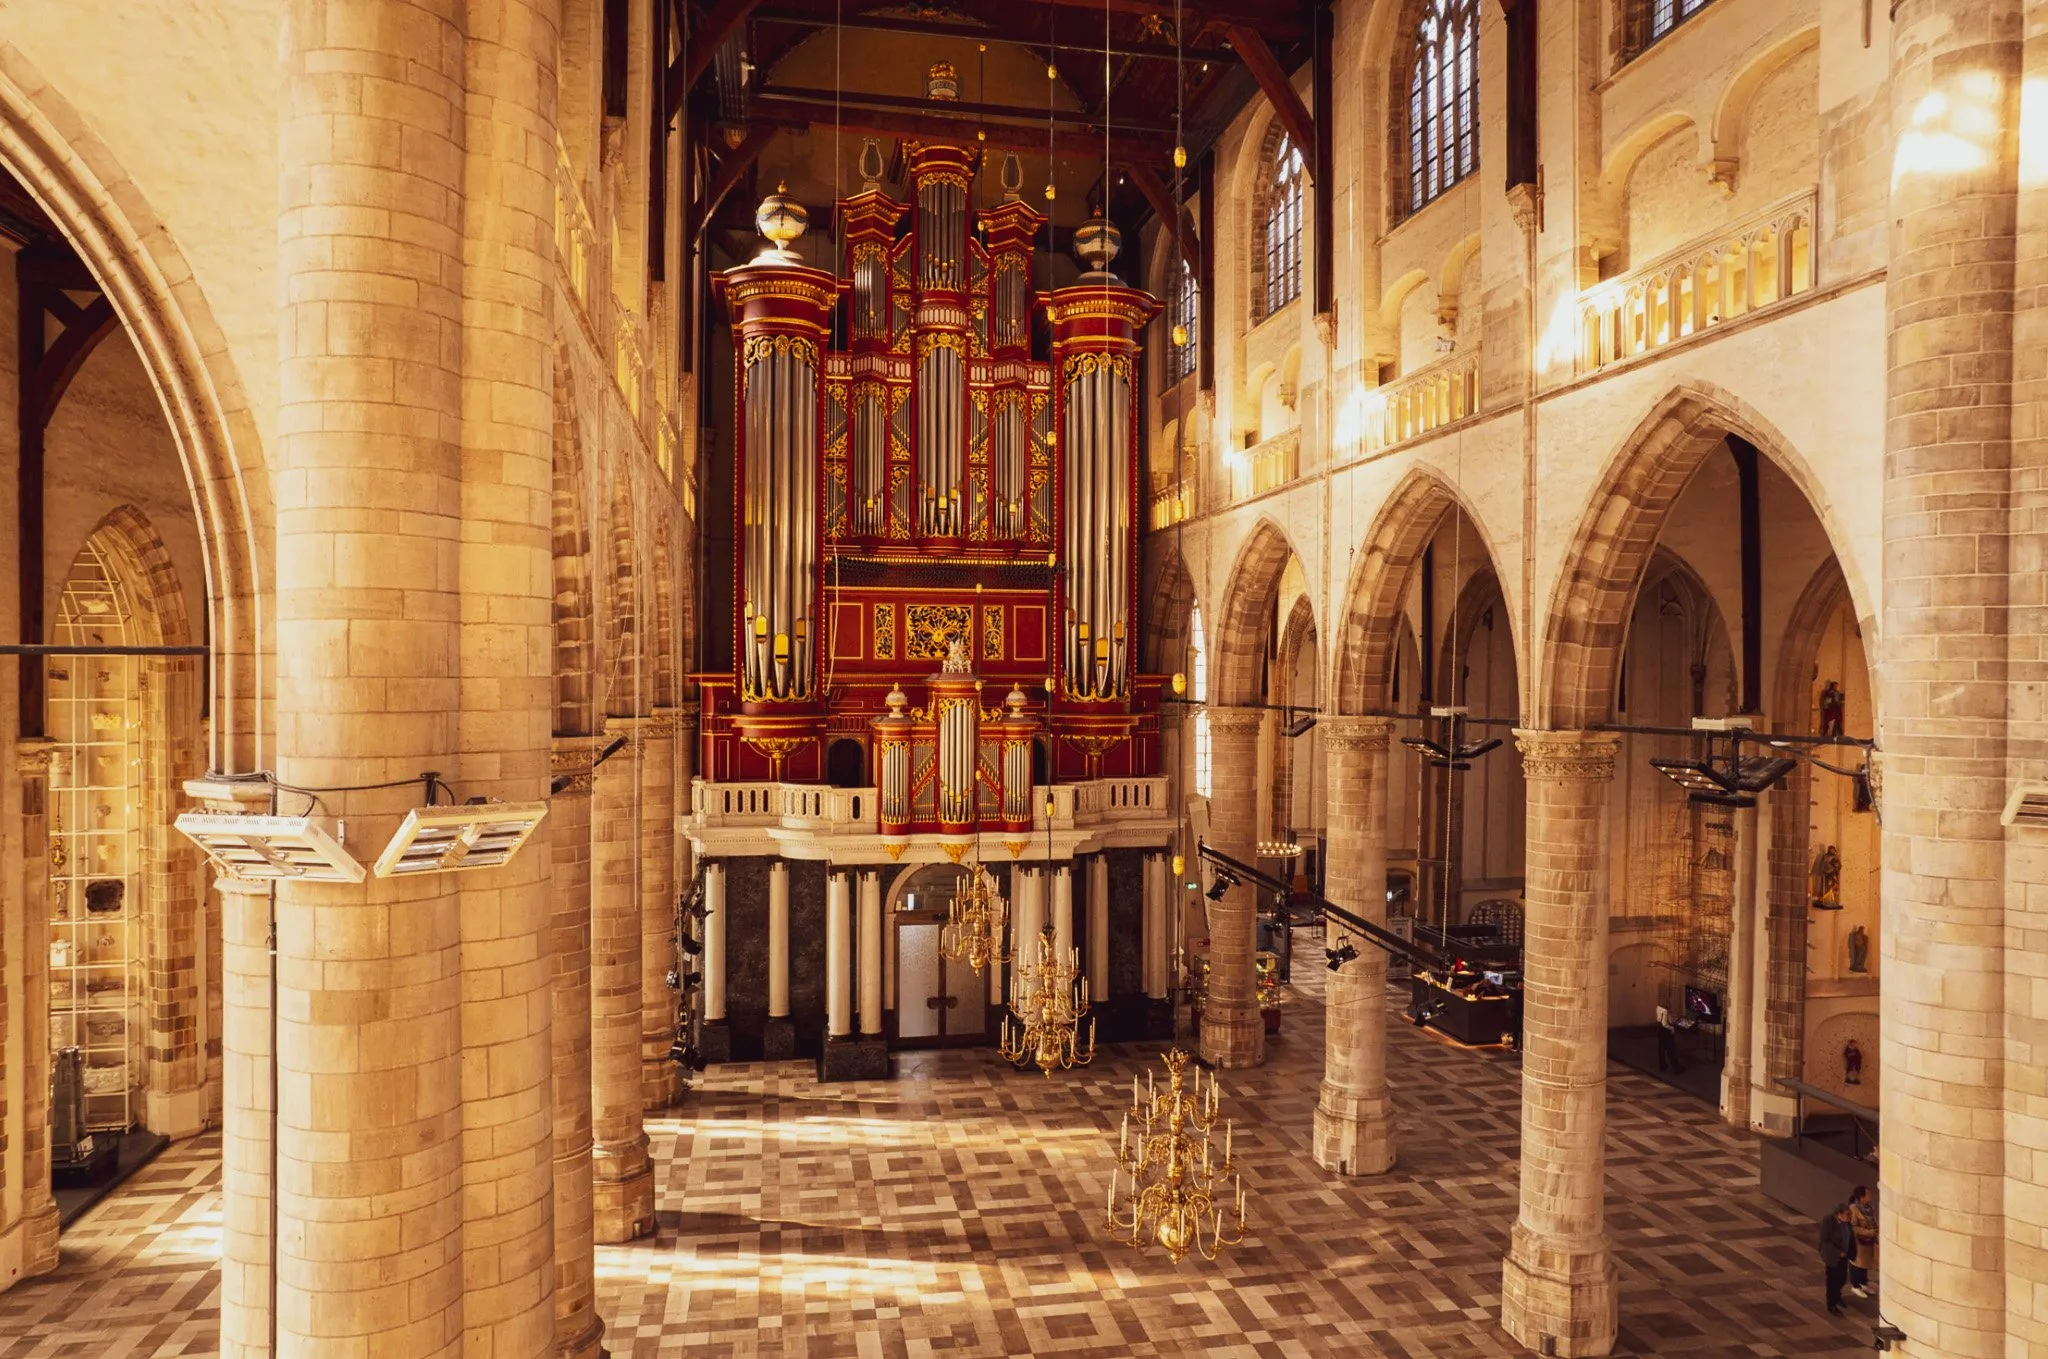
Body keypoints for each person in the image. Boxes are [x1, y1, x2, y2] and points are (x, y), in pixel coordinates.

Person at [1818, 1202, 1856, 1315]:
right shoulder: (1828, 1221)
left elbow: (1850, 1236)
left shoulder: (1846, 1222)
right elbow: (1824, 1240)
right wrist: (1838, 1252)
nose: (1849, 1217)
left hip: (1844, 1255)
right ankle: (1832, 1303)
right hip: (1833, 1256)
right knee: (1832, 1280)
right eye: (1846, 1214)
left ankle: (1838, 1296)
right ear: (1839, 1214)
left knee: (1842, 1278)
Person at [1846, 1185, 1877, 1299]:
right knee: (1857, 1264)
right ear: (1861, 1197)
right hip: (1858, 1242)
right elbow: (1853, 1227)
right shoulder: (1853, 1209)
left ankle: (1864, 1283)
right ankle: (1855, 1286)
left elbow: (1873, 1221)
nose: (1870, 1196)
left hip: (1868, 1242)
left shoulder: (1869, 1208)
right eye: (1867, 1194)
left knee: (1865, 1264)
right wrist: (1868, 1232)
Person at [1655, 1004, 1685, 1074]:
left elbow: (1661, 1020)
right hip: (1666, 1033)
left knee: (1661, 1049)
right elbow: (1664, 1023)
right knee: (1671, 1050)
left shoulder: (1658, 1009)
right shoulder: (1665, 1011)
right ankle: (1676, 1068)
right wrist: (1672, 1028)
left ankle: (1662, 1066)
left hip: (1660, 1032)